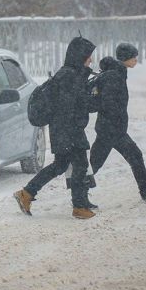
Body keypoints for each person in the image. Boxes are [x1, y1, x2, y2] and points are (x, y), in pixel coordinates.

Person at [14, 35, 98, 219]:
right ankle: (79, 206)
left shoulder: (72, 73)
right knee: (79, 165)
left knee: (60, 165)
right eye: (88, 56)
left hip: (65, 128)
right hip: (68, 129)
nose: (90, 59)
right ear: (80, 56)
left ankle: (27, 193)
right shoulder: (69, 76)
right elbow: (69, 106)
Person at [88, 43, 146, 201]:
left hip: (112, 129)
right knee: (96, 164)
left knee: (99, 162)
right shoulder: (114, 76)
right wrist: (115, 121)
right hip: (111, 130)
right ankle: (79, 197)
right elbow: (108, 103)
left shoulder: (117, 72)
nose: (136, 60)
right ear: (125, 58)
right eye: (133, 57)